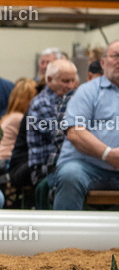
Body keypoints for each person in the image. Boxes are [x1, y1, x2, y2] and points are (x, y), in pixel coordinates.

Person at [52, 42, 119, 210]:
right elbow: (75, 133)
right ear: (103, 63)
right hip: (87, 166)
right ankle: (66, 234)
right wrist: (108, 154)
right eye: (115, 56)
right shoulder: (87, 91)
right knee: (70, 175)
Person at [27, 59, 78, 187]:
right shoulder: (42, 104)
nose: (71, 86)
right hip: (44, 167)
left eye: (73, 81)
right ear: (49, 80)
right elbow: (59, 136)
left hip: (67, 161)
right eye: (65, 81)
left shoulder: (72, 99)